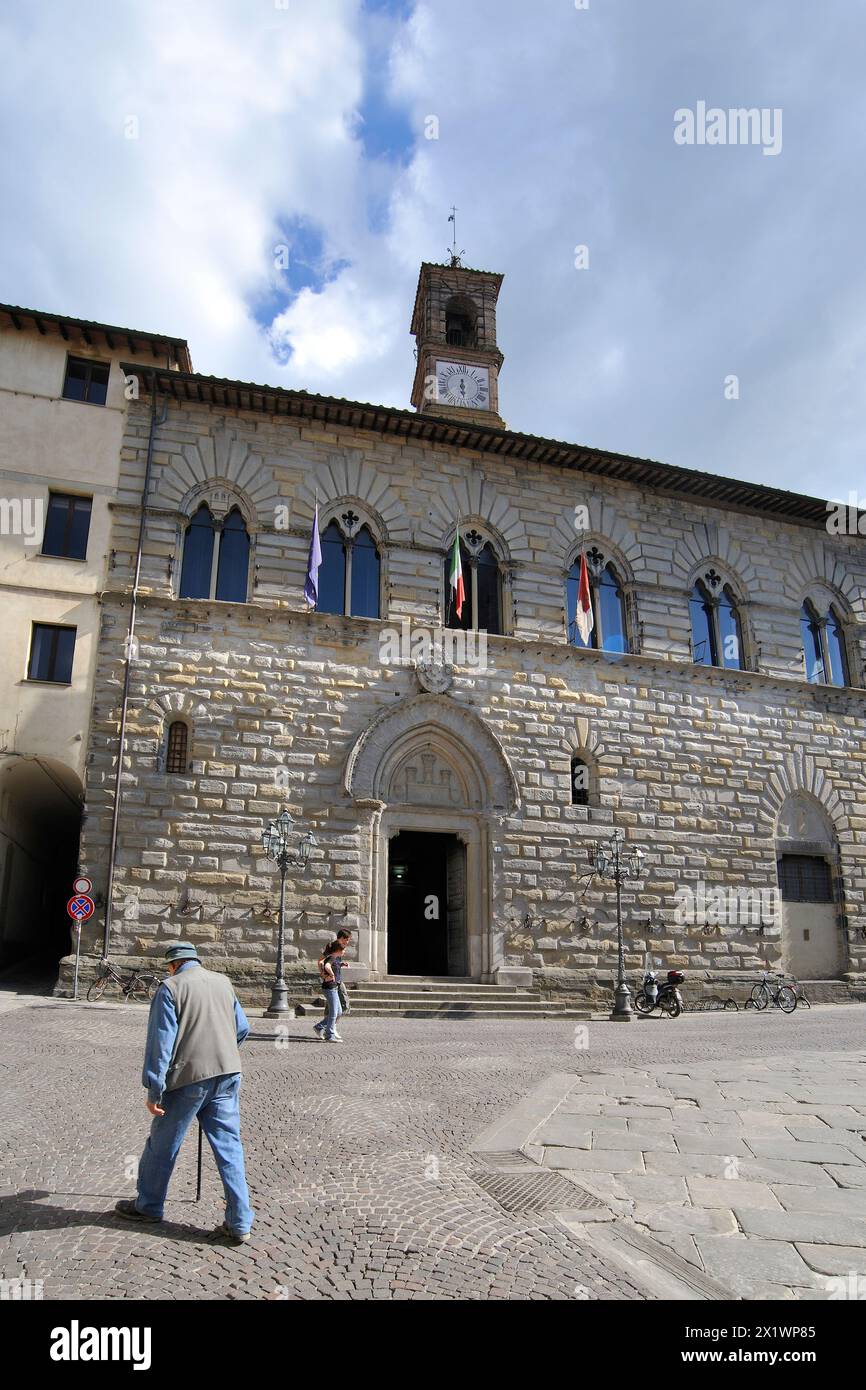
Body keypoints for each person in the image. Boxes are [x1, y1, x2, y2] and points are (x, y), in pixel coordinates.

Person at [114, 942, 254, 1244]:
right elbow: (242, 1028)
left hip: (187, 1079)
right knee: (230, 1148)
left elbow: (160, 1045)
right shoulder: (223, 982)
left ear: (172, 965)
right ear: (195, 960)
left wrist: (154, 1089)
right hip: (228, 1072)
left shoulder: (170, 988)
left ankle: (149, 1205)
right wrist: (224, 1052)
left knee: (162, 1146)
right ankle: (240, 1222)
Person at [314, 938, 347, 1042]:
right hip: (329, 988)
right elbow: (327, 966)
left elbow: (332, 965)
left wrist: (342, 964)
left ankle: (320, 1026)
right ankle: (330, 1035)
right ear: (338, 950)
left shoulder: (335, 958)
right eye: (343, 950)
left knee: (339, 1012)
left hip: (334, 987)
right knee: (333, 1012)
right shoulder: (331, 957)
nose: (344, 951)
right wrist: (331, 974)